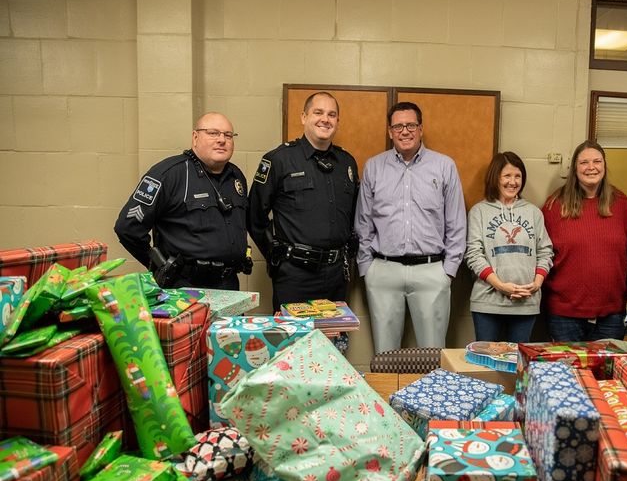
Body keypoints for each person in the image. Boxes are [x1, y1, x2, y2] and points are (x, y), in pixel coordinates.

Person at [355, 102, 467, 354]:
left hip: (431, 272)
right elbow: (363, 222)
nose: (404, 131)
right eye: (398, 126)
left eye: (410, 125)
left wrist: (447, 271)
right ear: (390, 131)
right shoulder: (374, 166)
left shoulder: (444, 166)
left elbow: (457, 223)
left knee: (432, 355)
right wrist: (367, 268)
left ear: (421, 128)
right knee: (384, 356)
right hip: (383, 271)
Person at [248, 92, 359, 313]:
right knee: (293, 343)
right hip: (295, 274)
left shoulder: (346, 163)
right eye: (318, 112)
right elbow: (254, 217)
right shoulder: (278, 160)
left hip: (337, 273)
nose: (325, 119)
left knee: (333, 342)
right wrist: (275, 254)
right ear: (303, 117)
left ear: (337, 121)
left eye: (332, 114)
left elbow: (354, 215)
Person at [114, 112, 249, 290]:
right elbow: (127, 228)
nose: (222, 140)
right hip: (185, 287)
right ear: (195, 137)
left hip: (229, 284)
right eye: (213, 133)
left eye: (228, 135)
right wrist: (159, 265)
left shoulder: (236, 176)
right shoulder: (169, 174)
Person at [542, 140, 627, 341]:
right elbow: (542, 254)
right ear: (574, 168)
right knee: (569, 372)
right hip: (564, 315)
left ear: (604, 166)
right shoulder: (555, 205)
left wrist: (620, 294)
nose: (591, 167)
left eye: (597, 161)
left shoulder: (621, 203)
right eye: (584, 162)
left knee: (605, 373)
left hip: (611, 314)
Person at [464, 151, 553, 342]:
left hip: (526, 301)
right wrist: (501, 286)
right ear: (495, 178)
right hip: (487, 303)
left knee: (518, 364)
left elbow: (546, 251)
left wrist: (536, 284)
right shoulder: (479, 212)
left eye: (518, 176)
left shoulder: (533, 213)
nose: (513, 182)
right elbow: (473, 254)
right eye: (507, 176)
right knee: (486, 363)